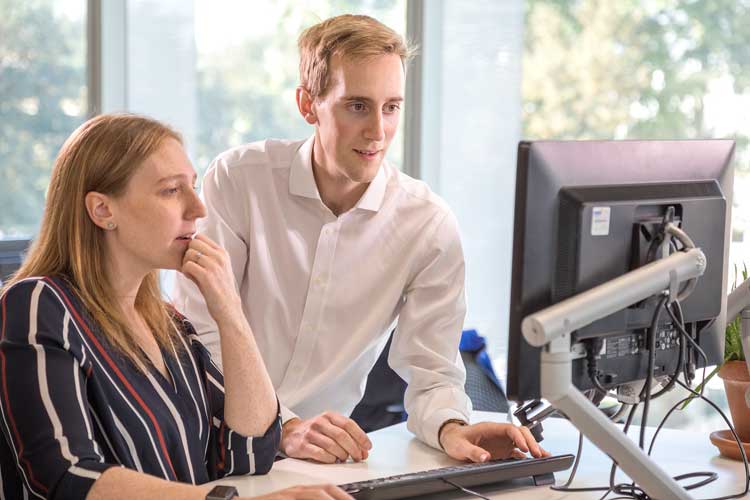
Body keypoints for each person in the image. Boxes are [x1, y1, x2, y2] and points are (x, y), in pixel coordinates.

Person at [174, 14, 548, 466]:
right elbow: (200, 334)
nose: (378, 131)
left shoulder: (427, 225)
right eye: (357, 106)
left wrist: (453, 428)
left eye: (391, 106)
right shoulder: (238, 181)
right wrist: (285, 425)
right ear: (308, 104)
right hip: (199, 438)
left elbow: (433, 372)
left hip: (312, 463)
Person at [0, 114, 351, 500]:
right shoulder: (36, 305)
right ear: (102, 210)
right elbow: (67, 476)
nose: (198, 208)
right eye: (171, 191)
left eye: (193, 187)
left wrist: (230, 312)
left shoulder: (168, 325)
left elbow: (249, 452)